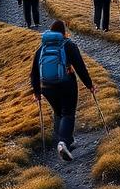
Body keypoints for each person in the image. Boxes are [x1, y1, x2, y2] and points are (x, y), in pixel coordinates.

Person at [30, 19, 95, 162]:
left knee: (58, 112)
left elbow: (34, 72)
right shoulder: (69, 45)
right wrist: (89, 84)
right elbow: (80, 67)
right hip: (66, 84)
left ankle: (67, 141)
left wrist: (36, 92)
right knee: (68, 113)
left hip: (46, 87)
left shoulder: (42, 48)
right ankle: (63, 142)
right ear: (63, 32)